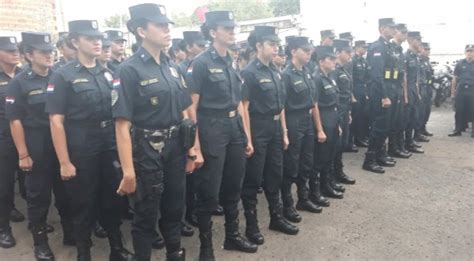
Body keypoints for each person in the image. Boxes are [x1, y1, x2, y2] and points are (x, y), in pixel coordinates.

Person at [45, 20, 134, 261]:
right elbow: (56, 121)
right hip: (81, 146)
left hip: (108, 144)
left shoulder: (107, 73)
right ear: (75, 42)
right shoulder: (63, 76)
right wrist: (64, 161)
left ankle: (117, 247)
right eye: (90, 38)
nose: (98, 42)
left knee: (112, 198)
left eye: (99, 38)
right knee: (83, 202)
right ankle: (84, 252)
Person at [114, 3, 195, 260]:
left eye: (167, 25)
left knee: (174, 210)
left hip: (176, 148)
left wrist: (191, 150)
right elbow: (122, 125)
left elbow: (184, 111)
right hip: (147, 150)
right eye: (159, 26)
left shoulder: (172, 66)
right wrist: (128, 172)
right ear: (141, 30)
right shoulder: (128, 69)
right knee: (146, 216)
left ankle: (175, 254)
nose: (166, 30)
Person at [189, 10, 258, 260]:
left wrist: (247, 136)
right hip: (211, 129)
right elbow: (191, 109)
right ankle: (206, 248)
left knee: (233, 185)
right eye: (226, 28)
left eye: (233, 27)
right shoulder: (200, 63)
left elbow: (239, 103)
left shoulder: (232, 60)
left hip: (234, 129)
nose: (232, 31)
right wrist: (194, 146)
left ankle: (232, 236)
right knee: (209, 189)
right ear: (212, 32)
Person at [6, 32, 74, 260]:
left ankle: (70, 232)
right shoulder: (19, 82)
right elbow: (15, 120)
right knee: (39, 197)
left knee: (65, 192)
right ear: (28, 55)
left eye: (50, 51)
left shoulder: (59, 76)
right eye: (43, 52)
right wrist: (23, 154)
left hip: (61, 145)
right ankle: (40, 242)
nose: (49, 55)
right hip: (37, 145)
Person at [240, 26, 299, 246]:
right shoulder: (249, 72)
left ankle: (276, 217)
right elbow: (243, 108)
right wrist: (247, 138)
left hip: (274, 128)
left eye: (277, 44)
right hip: (257, 127)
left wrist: (283, 131)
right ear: (258, 46)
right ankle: (251, 225)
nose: (276, 48)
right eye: (271, 44)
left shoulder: (275, 71)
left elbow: (280, 105)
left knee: (275, 173)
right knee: (253, 178)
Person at [281, 36, 322, 224]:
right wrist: (285, 131)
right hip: (293, 121)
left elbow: (313, 101)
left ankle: (303, 199)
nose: (308, 54)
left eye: (309, 51)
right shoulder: (286, 75)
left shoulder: (306, 72)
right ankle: (287, 204)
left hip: (307, 120)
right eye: (305, 51)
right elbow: (282, 105)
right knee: (292, 165)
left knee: (307, 162)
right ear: (293, 51)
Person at [362, 18, 398, 174]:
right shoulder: (377, 47)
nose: (394, 31)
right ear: (382, 29)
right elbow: (377, 74)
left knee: (386, 126)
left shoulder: (388, 47)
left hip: (390, 88)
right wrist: (384, 95)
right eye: (391, 28)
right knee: (379, 127)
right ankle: (369, 160)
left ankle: (380, 155)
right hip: (380, 92)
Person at [312, 45, 343, 202]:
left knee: (330, 154)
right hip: (323, 118)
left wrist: (338, 123)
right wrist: (319, 129)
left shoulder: (330, 77)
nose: (334, 62)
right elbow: (315, 105)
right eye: (331, 60)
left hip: (333, 117)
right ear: (321, 61)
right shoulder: (317, 79)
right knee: (320, 157)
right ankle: (315, 191)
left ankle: (327, 184)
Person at [0, 35, 21, 249]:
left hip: (23, 138)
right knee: (4, 186)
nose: (15, 53)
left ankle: (12, 208)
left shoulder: (24, 75)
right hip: (3, 139)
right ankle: (3, 228)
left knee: (27, 181)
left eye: (16, 49)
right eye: (8, 50)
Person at [331, 39, 356, 186]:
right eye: (347, 52)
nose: (349, 55)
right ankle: (332, 175)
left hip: (345, 111)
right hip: (337, 112)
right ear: (338, 52)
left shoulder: (344, 69)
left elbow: (347, 93)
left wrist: (349, 113)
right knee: (335, 145)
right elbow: (334, 96)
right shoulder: (333, 70)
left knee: (342, 145)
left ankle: (338, 171)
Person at [389, 23, 412, 159]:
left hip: (398, 90)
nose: (404, 35)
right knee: (391, 123)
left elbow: (403, 75)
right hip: (391, 90)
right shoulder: (390, 49)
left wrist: (405, 95)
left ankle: (398, 146)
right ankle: (393, 148)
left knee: (399, 121)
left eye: (405, 33)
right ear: (395, 32)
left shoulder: (399, 50)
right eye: (402, 32)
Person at [404, 31, 425, 154]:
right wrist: (406, 96)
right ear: (410, 40)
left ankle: (410, 141)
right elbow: (405, 78)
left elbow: (416, 78)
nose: (419, 42)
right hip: (408, 89)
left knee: (413, 117)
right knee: (406, 119)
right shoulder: (406, 56)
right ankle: (405, 143)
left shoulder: (415, 57)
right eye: (417, 40)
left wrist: (417, 93)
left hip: (414, 90)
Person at [448, 44, 474, 137]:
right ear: (465, 52)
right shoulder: (460, 63)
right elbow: (454, 79)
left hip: (472, 90)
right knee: (459, 110)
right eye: (468, 51)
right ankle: (457, 130)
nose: (470, 53)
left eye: (471, 51)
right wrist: (452, 92)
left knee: (472, 110)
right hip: (461, 90)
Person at [351, 40, 370, 148]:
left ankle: (361, 137)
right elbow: (351, 79)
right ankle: (355, 139)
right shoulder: (353, 60)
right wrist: (352, 94)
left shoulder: (364, 61)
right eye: (363, 47)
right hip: (356, 89)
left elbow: (367, 76)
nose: (365, 49)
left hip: (363, 89)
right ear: (357, 47)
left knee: (363, 116)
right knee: (356, 116)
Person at [417, 42, 434, 138]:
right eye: (425, 49)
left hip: (428, 88)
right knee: (420, 111)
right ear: (420, 49)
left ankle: (423, 128)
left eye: (428, 50)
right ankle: (417, 132)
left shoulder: (427, 61)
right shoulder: (418, 61)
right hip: (421, 88)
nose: (427, 51)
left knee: (427, 110)